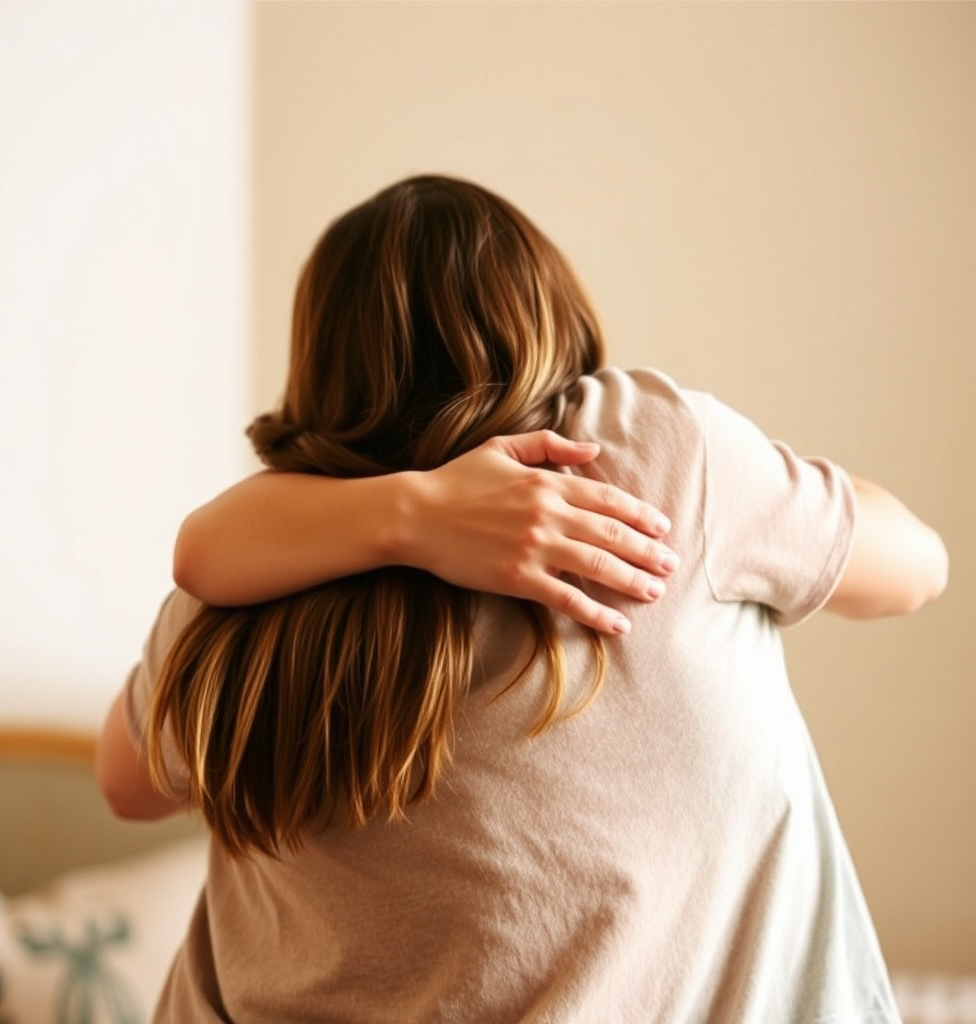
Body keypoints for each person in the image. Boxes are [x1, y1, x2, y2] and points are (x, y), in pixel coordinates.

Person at [96, 175, 947, 1023]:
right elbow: (917, 568)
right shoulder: (650, 458)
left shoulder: (245, 581)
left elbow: (125, 784)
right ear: (544, 313)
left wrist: (384, 514)